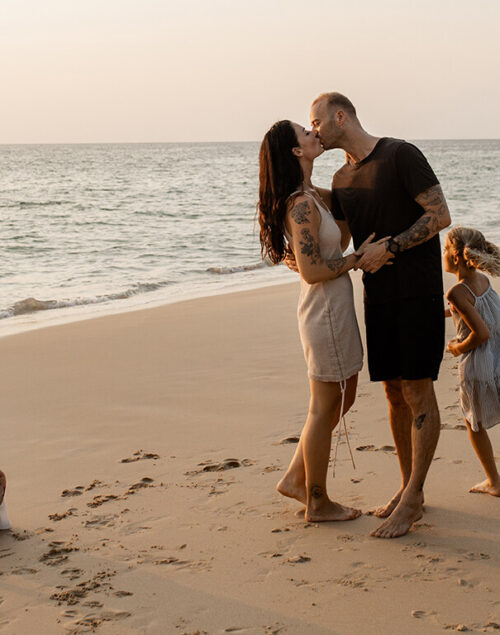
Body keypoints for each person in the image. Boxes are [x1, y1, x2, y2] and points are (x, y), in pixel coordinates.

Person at [303, 92, 452, 538]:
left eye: (317, 122)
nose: (313, 131)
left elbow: (440, 214)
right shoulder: (342, 177)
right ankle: (410, 488)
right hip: (378, 296)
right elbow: (341, 238)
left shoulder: (400, 154)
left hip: (418, 291)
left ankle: (413, 497)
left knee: (418, 388)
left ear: (341, 116)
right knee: (391, 391)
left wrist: (392, 245)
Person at [258, 120, 383, 522]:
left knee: (343, 393)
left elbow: (338, 236)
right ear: (296, 151)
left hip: (333, 305)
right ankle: (316, 500)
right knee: (324, 405)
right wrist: (359, 260)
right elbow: (313, 270)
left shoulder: (315, 196)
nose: (314, 135)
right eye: (305, 134)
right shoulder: (301, 204)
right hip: (324, 308)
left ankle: (297, 477)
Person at [444, 226, 500, 496]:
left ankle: (494, 481)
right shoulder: (483, 281)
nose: (441, 254)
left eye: (445, 249)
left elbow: (481, 332)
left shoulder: (457, 291)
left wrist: (458, 348)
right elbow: (476, 309)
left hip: (478, 361)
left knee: (473, 422)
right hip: (497, 357)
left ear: (455, 257)